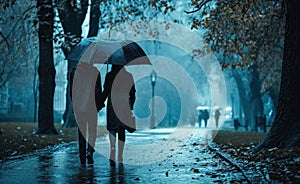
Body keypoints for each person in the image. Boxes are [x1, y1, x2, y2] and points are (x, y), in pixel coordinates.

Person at [99, 64, 136, 166]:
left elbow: (106, 91)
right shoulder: (128, 75)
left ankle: (112, 149)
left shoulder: (109, 75)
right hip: (124, 102)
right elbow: (133, 92)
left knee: (112, 127)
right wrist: (131, 105)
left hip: (113, 102)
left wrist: (101, 102)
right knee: (121, 128)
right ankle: (120, 154)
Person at [70, 62, 104, 165]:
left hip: (79, 106)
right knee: (92, 130)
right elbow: (99, 90)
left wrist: (75, 103)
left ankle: (82, 156)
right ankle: (90, 151)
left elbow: (70, 91)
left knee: (82, 132)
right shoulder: (95, 72)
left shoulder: (74, 72)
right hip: (92, 106)